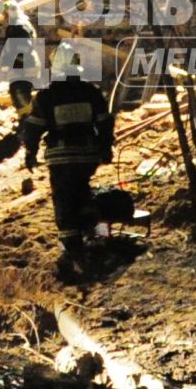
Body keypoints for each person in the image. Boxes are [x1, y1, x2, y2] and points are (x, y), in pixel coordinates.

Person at [21, 42, 114, 282]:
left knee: (64, 201)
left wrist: (29, 153)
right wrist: (105, 148)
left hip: (61, 159)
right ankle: (91, 234)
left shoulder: (46, 96)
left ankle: (72, 250)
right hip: (87, 156)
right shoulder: (91, 92)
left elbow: (33, 128)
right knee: (82, 192)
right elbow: (105, 122)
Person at [0, 2, 40, 131]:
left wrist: (11, 62)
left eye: (4, 13)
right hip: (23, 65)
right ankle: (26, 121)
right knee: (20, 92)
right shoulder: (19, 24)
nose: (3, 16)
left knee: (19, 92)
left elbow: (24, 48)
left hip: (23, 67)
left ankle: (28, 123)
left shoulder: (19, 27)